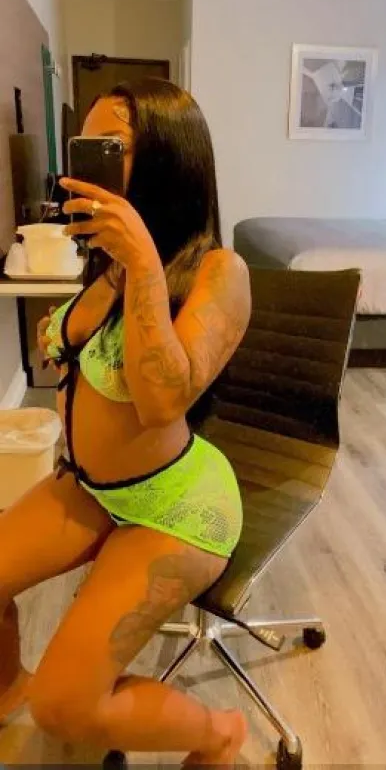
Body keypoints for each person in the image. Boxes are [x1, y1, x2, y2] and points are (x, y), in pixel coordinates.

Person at [0, 78, 251, 765]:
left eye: (112, 148)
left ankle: (220, 734)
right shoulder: (108, 266)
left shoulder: (219, 272)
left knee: (65, 706)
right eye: (84, 144)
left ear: (171, 159)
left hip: (176, 505)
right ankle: (9, 691)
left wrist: (142, 259)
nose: (90, 163)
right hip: (91, 486)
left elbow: (161, 401)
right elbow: (72, 351)